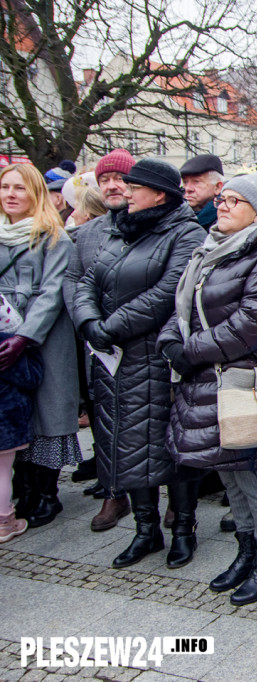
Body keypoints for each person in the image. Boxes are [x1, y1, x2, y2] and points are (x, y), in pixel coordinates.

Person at [158, 171, 257, 605]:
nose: (223, 205)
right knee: (229, 475)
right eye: (223, 198)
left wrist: (191, 350)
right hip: (206, 380)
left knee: (254, 477)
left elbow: (255, 321)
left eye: (235, 200)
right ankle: (245, 552)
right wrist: (171, 341)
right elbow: (183, 307)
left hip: (242, 381)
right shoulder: (210, 247)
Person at [73, 158, 206, 569]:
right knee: (122, 445)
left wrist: (109, 327)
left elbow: (169, 292)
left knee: (174, 447)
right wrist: (88, 321)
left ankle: (183, 529)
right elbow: (86, 281)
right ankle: (146, 530)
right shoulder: (120, 231)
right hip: (115, 363)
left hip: (159, 359)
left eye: (133, 186)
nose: (124, 192)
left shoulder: (186, 233)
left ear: (158, 194)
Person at [1, 164, 82, 529]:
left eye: (20, 187)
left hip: (44, 338)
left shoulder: (55, 238)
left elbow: (52, 293)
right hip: (4, 336)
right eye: (5, 187)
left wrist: (24, 336)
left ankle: (46, 492)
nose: (11, 194)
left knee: (47, 414)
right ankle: (21, 486)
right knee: (12, 412)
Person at [61, 149, 136, 532]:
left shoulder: (151, 225)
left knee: (152, 421)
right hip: (99, 344)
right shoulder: (87, 233)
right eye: (104, 179)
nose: (111, 185)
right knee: (105, 422)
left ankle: (166, 497)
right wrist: (87, 322)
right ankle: (113, 492)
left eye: (119, 178)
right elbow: (74, 282)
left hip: (141, 340)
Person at [0, 331, 42, 542]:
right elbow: (29, 377)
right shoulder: (5, 343)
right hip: (5, 421)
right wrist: (33, 354)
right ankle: (5, 523)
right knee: (3, 473)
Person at [180, 155, 224, 230]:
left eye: (196, 181)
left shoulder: (225, 223)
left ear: (217, 187)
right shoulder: (176, 217)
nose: (188, 188)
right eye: (185, 182)